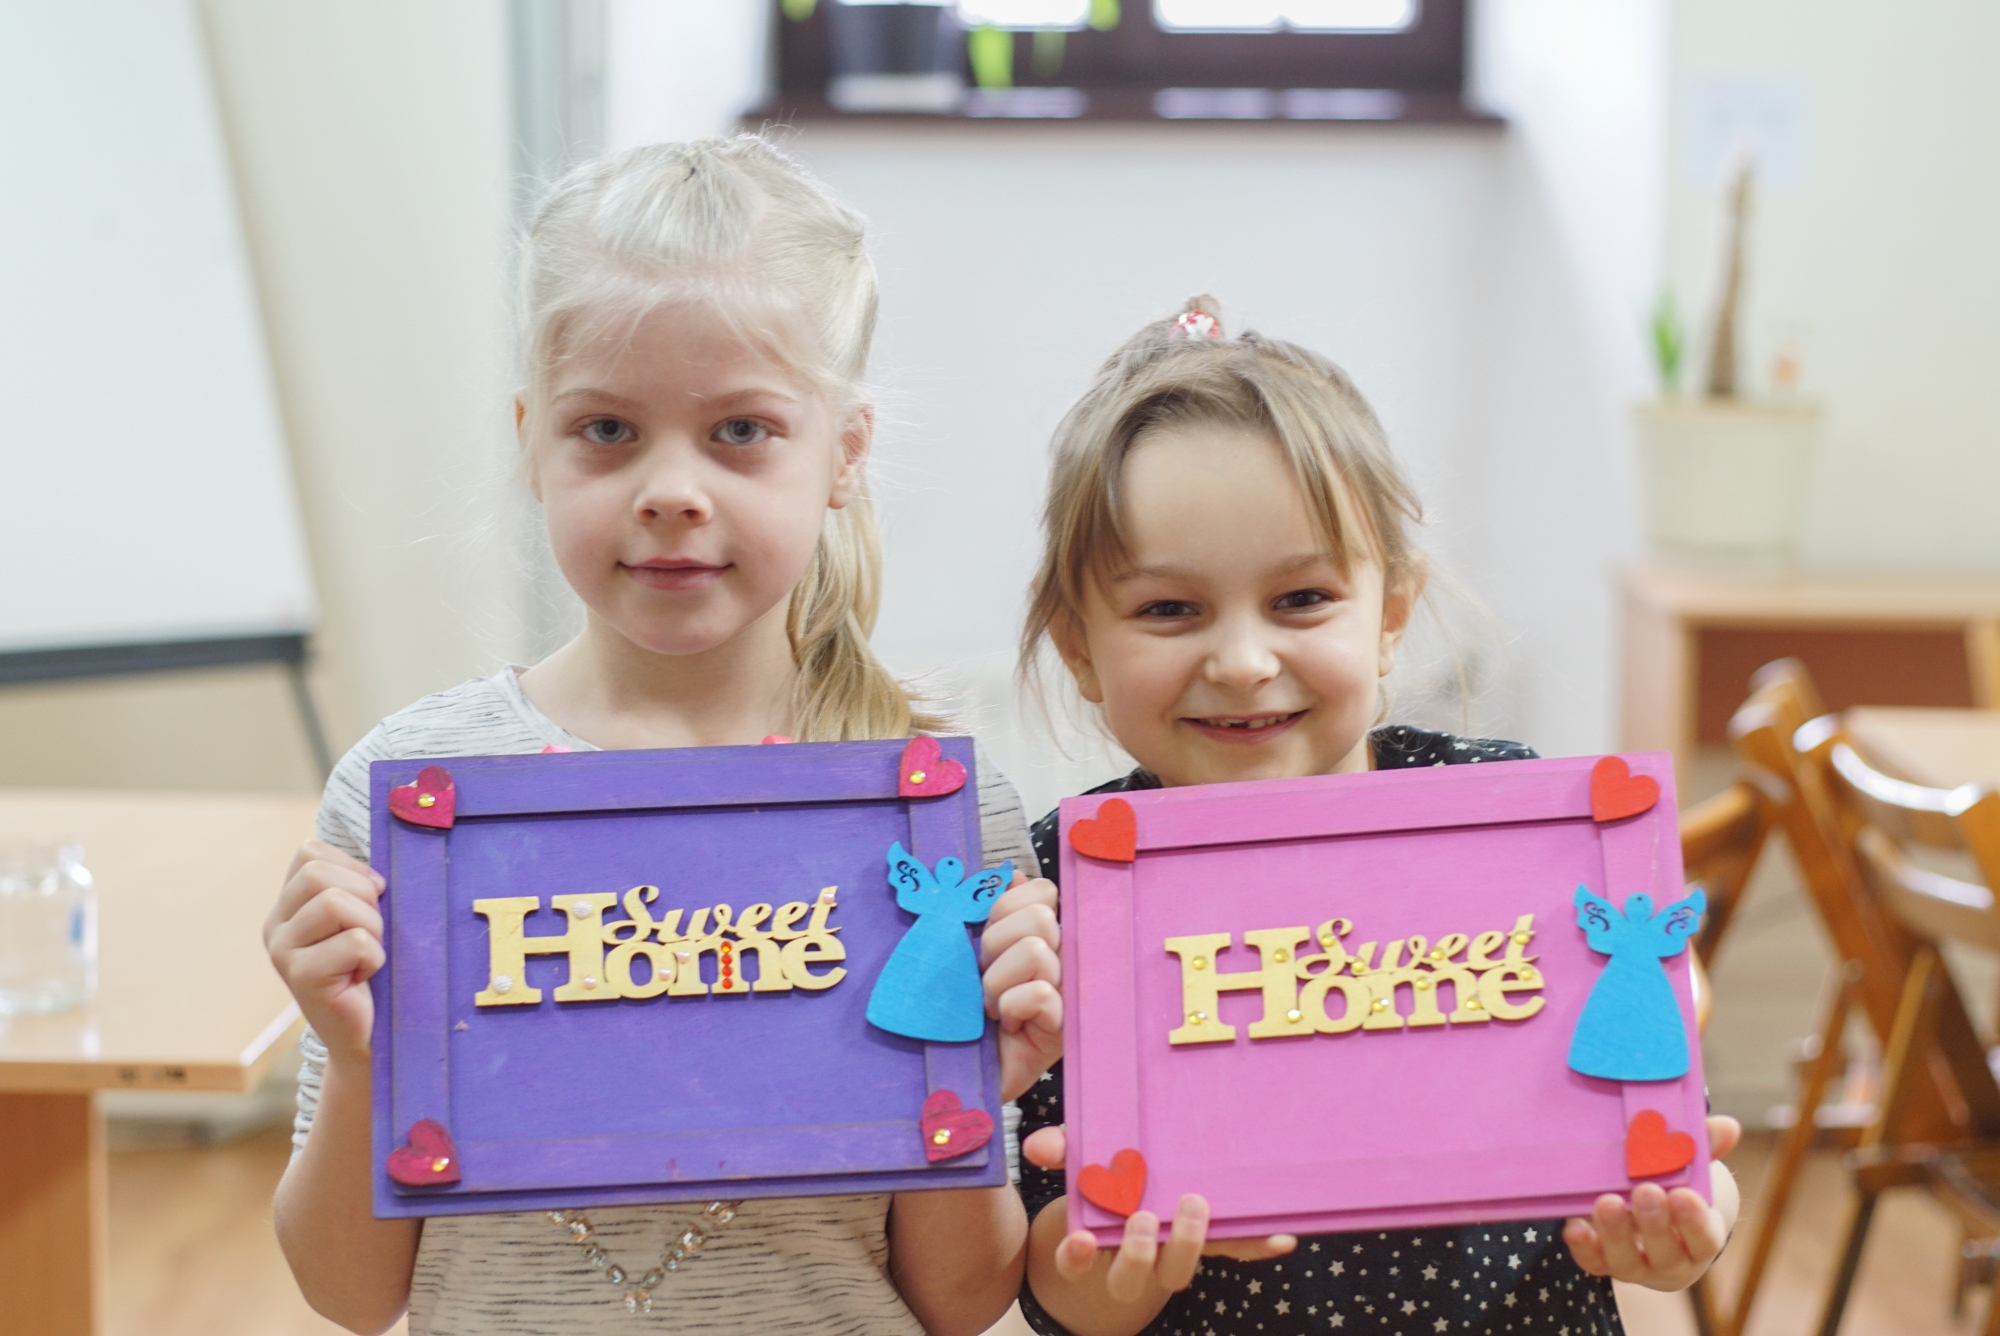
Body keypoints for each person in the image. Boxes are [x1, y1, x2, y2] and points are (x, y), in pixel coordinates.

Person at [261, 136, 1062, 1336]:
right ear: (531, 442)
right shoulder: (410, 797)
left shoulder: (930, 817)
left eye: (739, 430)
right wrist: (361, 1054)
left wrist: (967, 1086)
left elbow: (956, 1302)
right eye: (606, 429)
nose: (670, 489)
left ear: (843, 453)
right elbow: (348, 1293)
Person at [1011, 299, 1741, 1336]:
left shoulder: (1506, 825)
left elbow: (1669, 1141)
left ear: (1390, 614)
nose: (1242, 661)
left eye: (1301, 599)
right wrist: (1129, 1255)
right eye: (1169, 609)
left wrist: (1684, 1225)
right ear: (1078, 646)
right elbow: (1054, 1281)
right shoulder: (1059, 887)